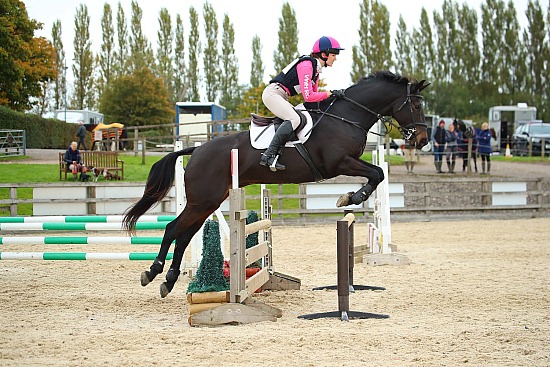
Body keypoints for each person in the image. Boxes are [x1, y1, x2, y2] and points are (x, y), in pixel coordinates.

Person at [259, 36, 345, 171]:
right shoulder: (307, 65)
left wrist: (332, 97)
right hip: (273, 94)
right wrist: (329, 93)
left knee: (302, 117)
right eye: (334, 55)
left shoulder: (315, 71)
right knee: (295, 118)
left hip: (281, 95)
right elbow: (309, 96)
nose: (335, 58)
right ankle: (269, 155)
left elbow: (315, 99)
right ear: (324, 54)